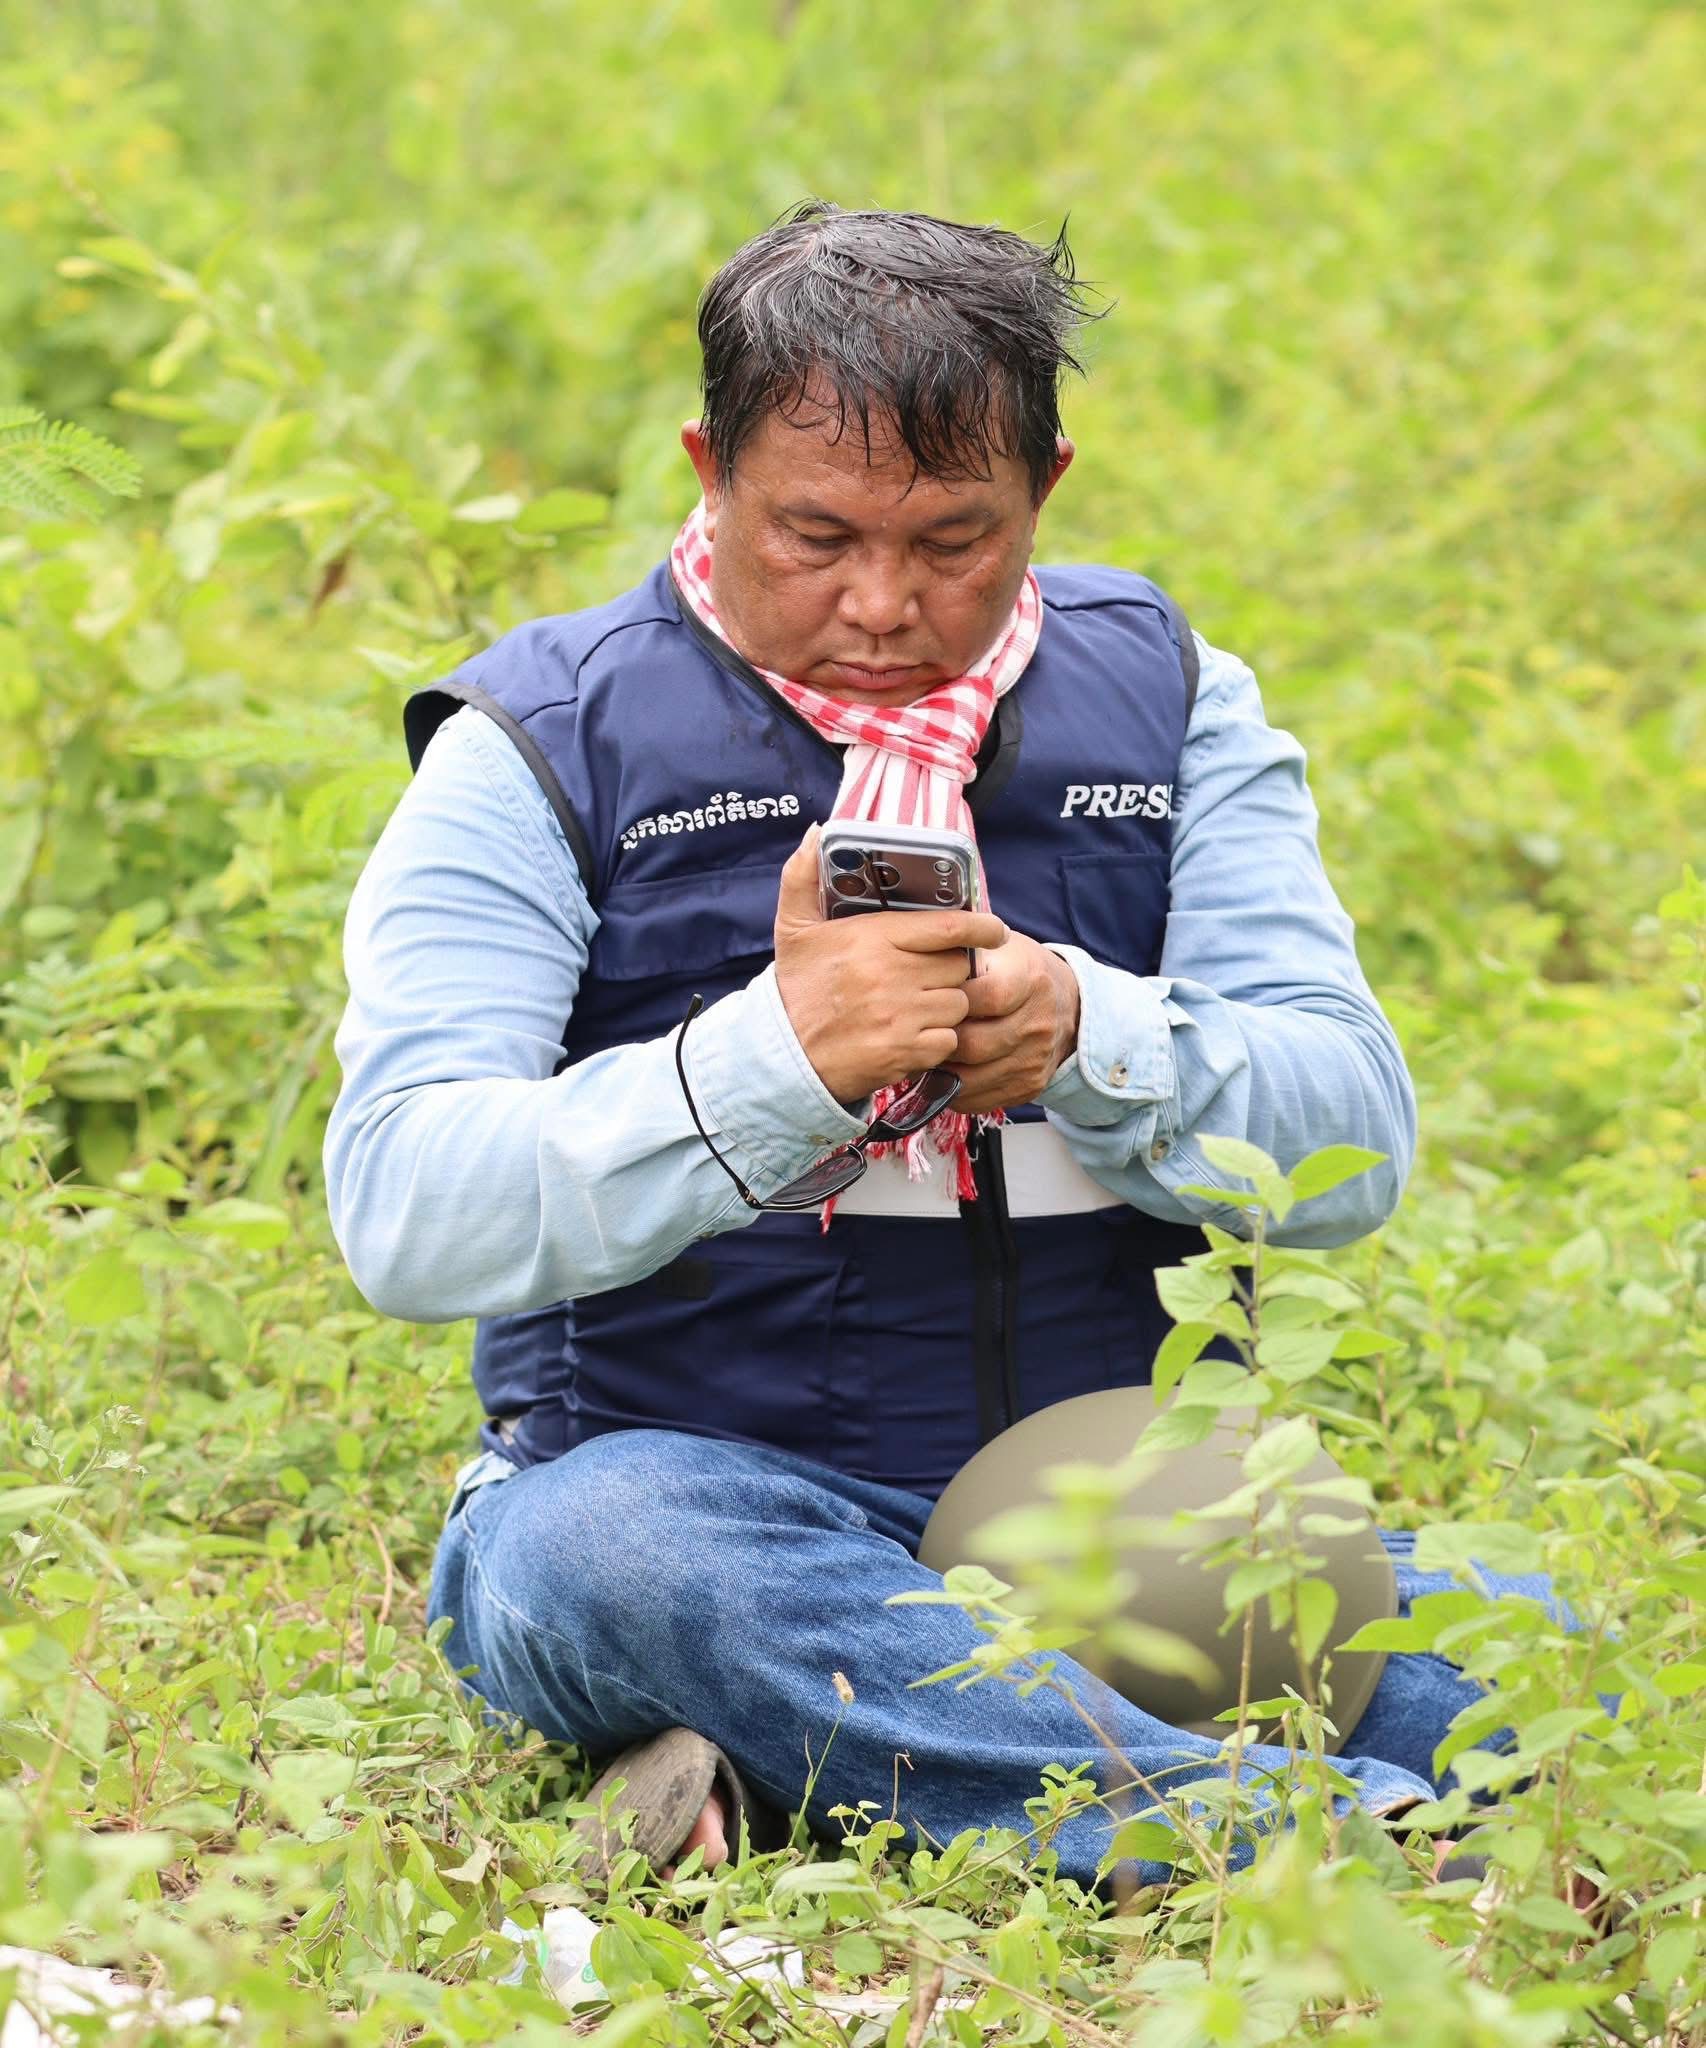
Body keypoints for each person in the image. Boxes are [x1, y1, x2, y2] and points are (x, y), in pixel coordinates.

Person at [323, 203, 1550, 1888]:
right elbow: (403, 1210)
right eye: (813, 534)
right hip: (697, 1497)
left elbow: (1352, 1141)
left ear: (1046, 486)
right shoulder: (541, 743)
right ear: (708, 470)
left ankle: (816, 1761)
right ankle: (1291, 1842)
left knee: (1523, 1638)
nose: (882, 603)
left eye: (954, 539)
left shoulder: (1176, 702)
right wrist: (775, 1064)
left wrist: (1085, 1034)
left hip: (1108, 1522)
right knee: (612, 1556)